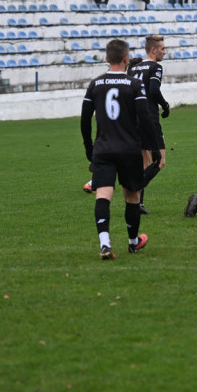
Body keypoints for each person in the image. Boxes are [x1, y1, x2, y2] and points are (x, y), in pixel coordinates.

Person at [80, 39, 158, 259]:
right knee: (132, 196)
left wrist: (89, 149)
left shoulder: (95, 84)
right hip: (129, 149)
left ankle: (105, 243)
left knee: (103, 195)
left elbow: (85, 120)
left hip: (103, 149)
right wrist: (152, 148)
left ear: (106, 58)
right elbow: (145, 118)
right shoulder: (134, 85)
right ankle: (133, 242)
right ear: (126, 59)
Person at [129, 35, 170, 215]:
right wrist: (165, 105)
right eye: (162, 49)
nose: (165, 52)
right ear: (153, 50)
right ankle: (133, 193)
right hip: (149, 120)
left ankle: (137, 204)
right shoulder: (155, 67)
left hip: (134, 118)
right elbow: (154, 90)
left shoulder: (134, 68)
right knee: (159, 161)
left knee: (145, 163)